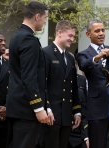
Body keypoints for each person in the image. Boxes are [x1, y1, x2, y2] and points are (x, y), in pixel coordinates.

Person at [76, 19, 109, 148]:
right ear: (88, 34)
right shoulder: (83, 54)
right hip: (97, 108)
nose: (101, 33)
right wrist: (97, 57)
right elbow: (83, 65)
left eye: (103, 30)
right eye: (97, 31)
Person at [6, 2, 49, 148]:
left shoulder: (17, 36)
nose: (44, 22)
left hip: (17, 106)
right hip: (26, 108)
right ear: (37, 16)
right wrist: (38, 108)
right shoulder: (28, 39)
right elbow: (29, 77)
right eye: (45, 18)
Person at [39, 20, 81, 148]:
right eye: (70, 36)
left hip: (66, 115)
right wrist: (47, 108)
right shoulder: (45, 53)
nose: (72, 39)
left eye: (73, 36)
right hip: (51, 114)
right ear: (60, 32)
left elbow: (73, 86)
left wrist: (77, 111)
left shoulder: (70, 57)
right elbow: (42, 84)